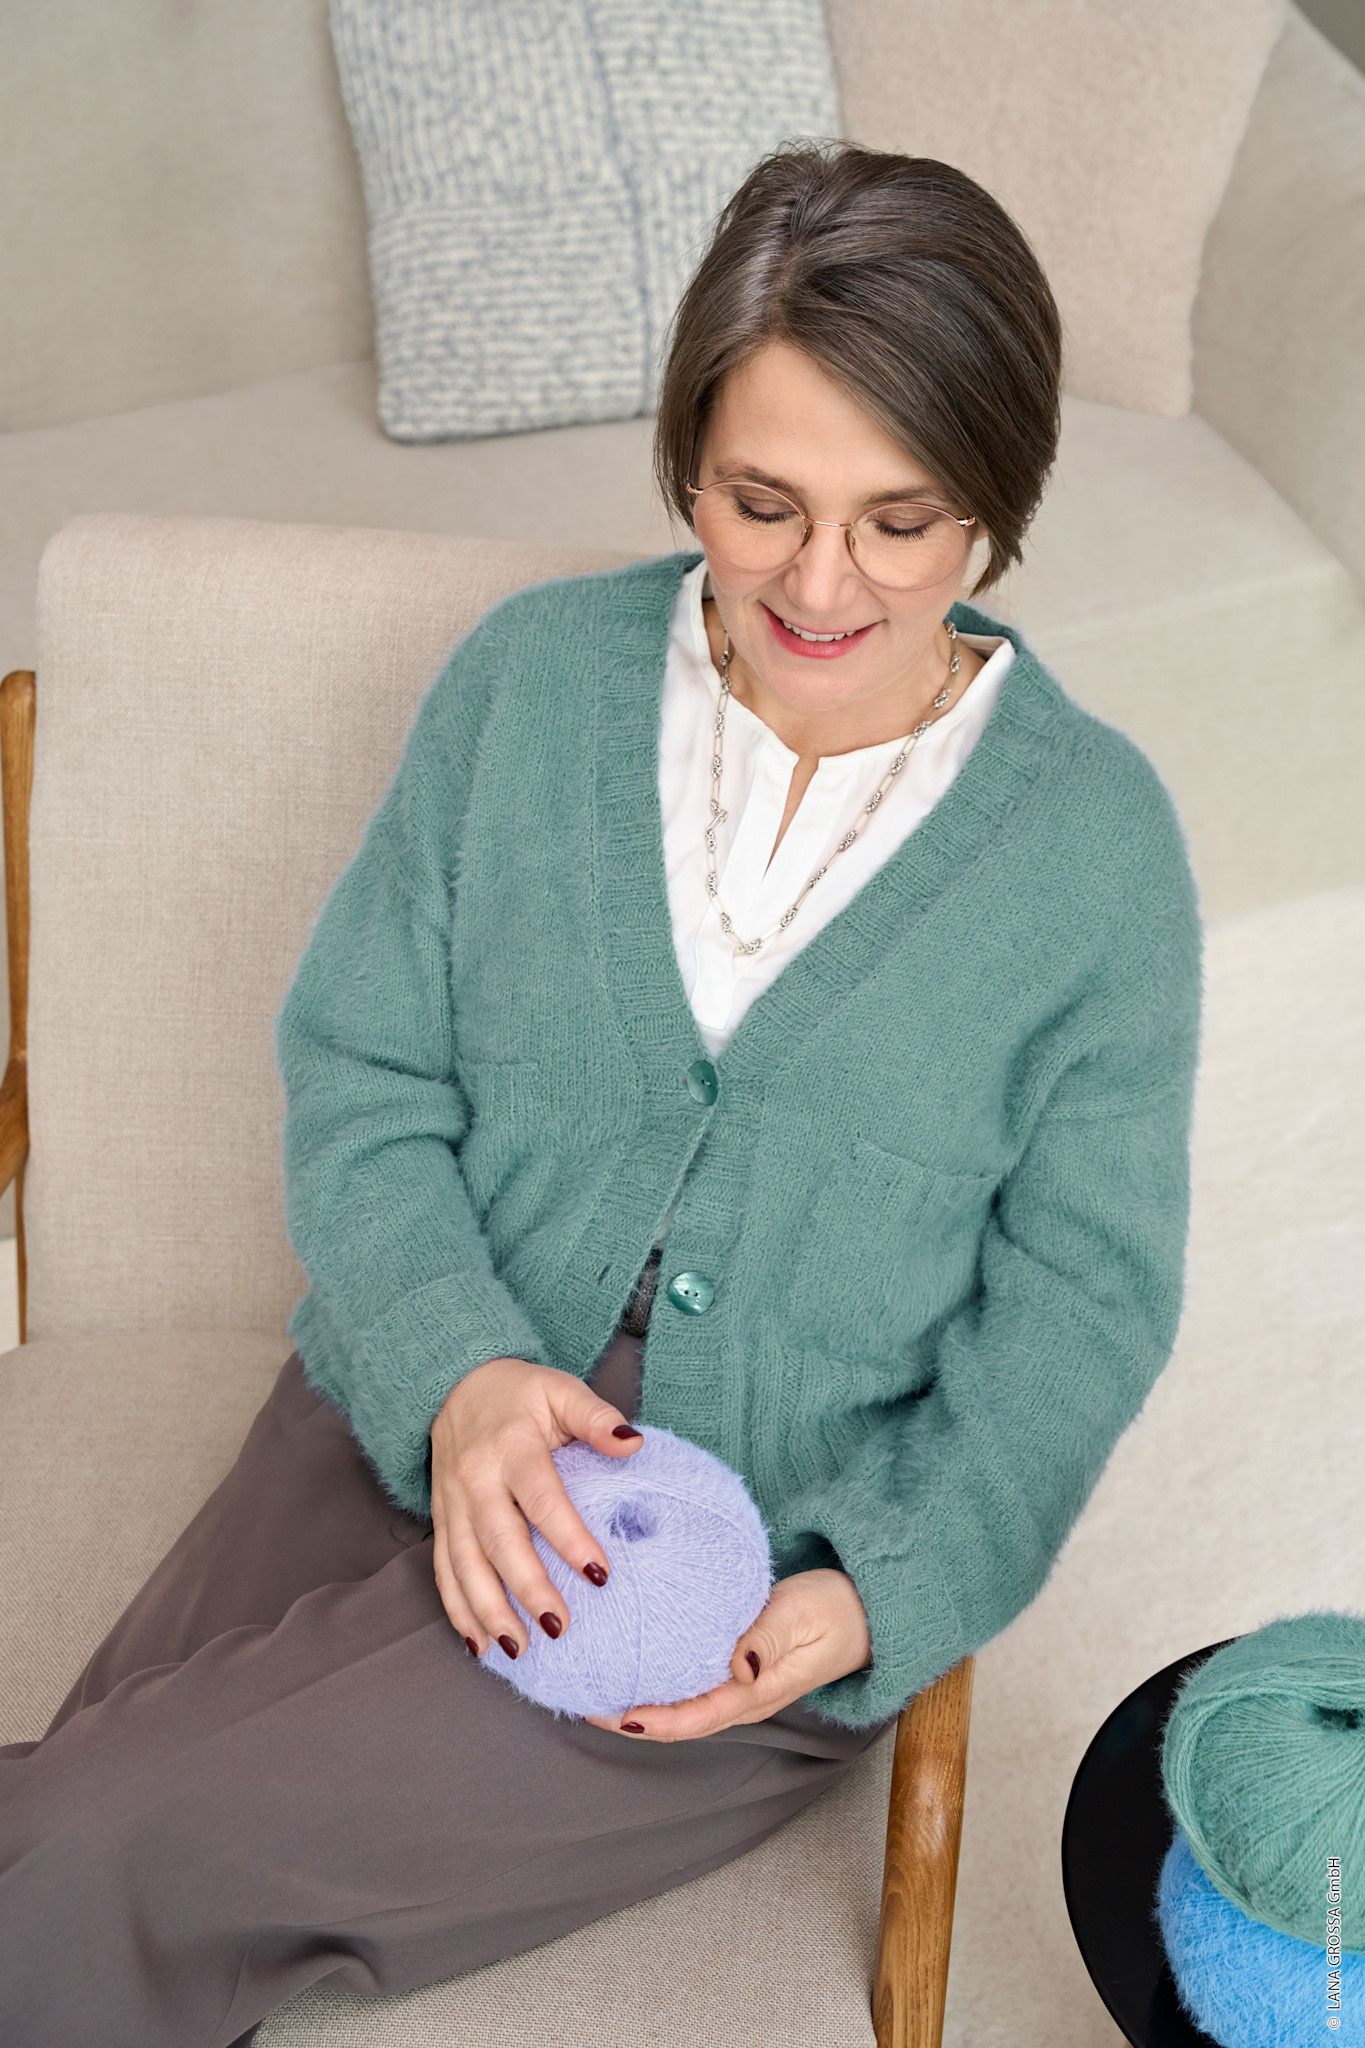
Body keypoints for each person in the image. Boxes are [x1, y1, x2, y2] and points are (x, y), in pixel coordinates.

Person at [0, 142, 1201, 2047]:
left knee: (88, 1844)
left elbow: (1081, 1306)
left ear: (997, 500)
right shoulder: (531, 689)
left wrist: (882, 1591)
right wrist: (459, 1372)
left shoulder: (1095, 851)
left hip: (747, 1543)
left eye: (901, 521)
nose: (821, 584)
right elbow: (363, 1069)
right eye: (760, 502)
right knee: (80, 1820)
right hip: (414, 1384)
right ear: (684, 460)